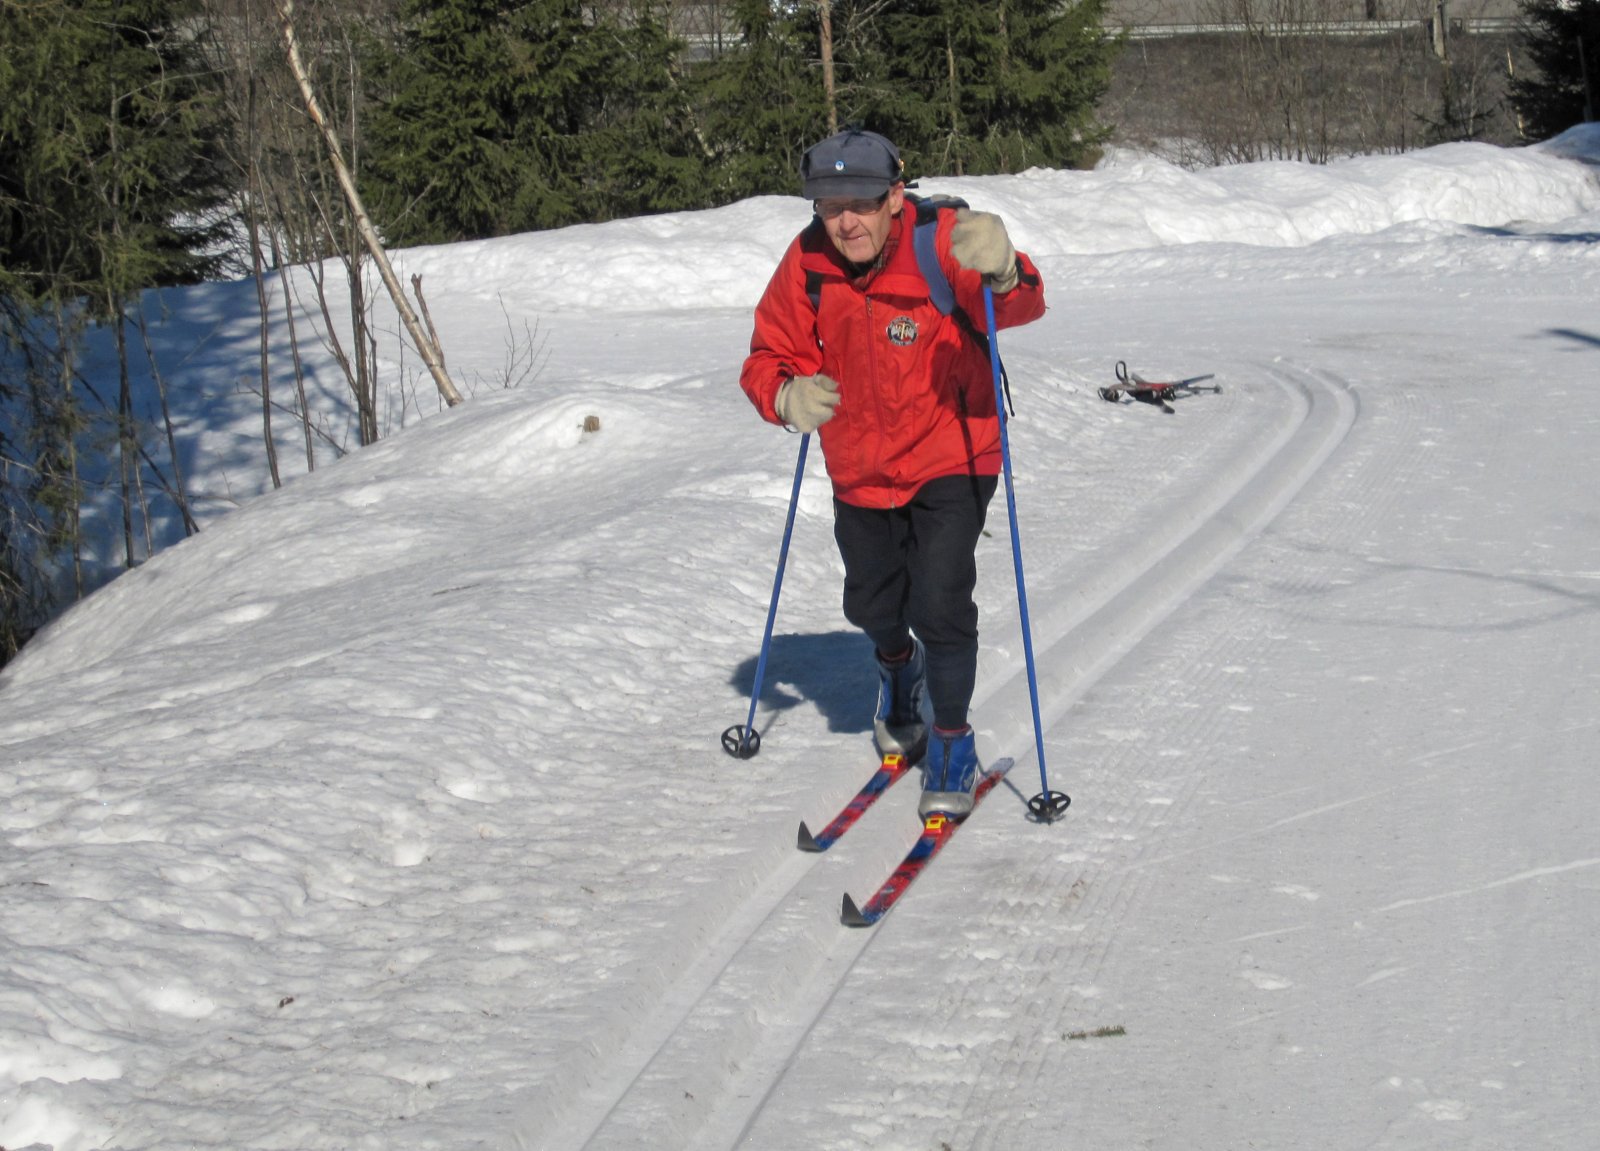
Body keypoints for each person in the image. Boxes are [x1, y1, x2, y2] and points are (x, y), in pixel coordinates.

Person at [739, 128, 1046, 817]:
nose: (846, 220)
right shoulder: (809, 260)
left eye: (862, 202)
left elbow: (1019, 306)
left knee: (939, 602)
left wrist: (1004, 270)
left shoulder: (941, 241)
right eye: (828, 204)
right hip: (859, 465)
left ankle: (951, 738)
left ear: (894, 197)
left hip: (952, 452)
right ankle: (897, 670)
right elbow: (766, 355)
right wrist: (785, 396)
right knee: (873, 606)